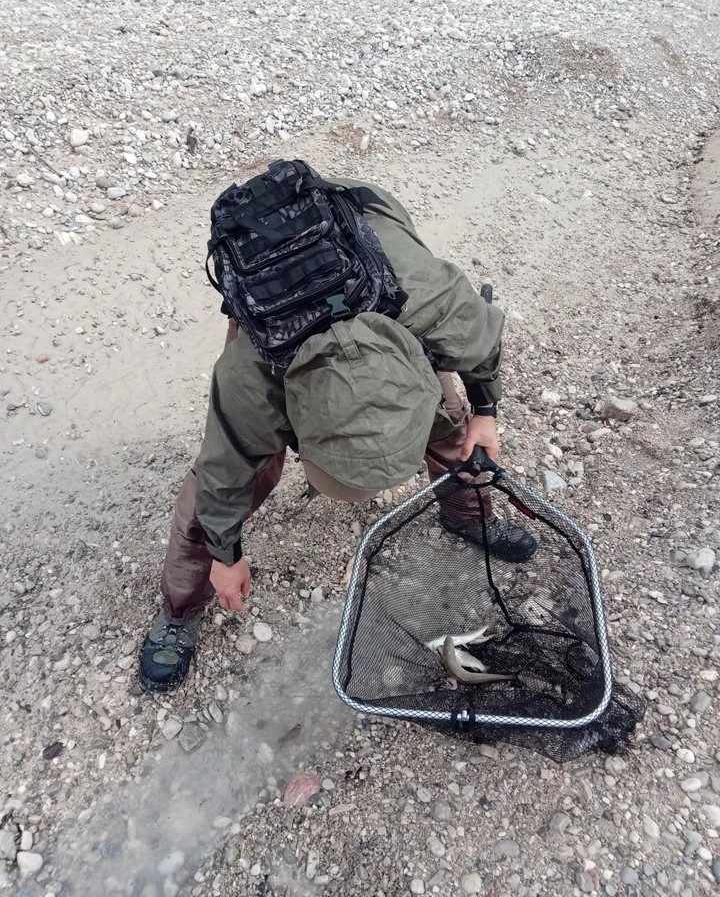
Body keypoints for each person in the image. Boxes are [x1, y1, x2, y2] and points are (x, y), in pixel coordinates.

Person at [138, 172, 537, 693]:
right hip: (275, 287)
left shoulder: (433, 304)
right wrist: (226, 554)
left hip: (371, 250)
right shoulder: (254, 376)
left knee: (451, 421)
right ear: (300, 430)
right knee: (235, 482)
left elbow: (482, 341)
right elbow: (222, 472)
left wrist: (486, 409)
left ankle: (467, 515)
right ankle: (179, 609)